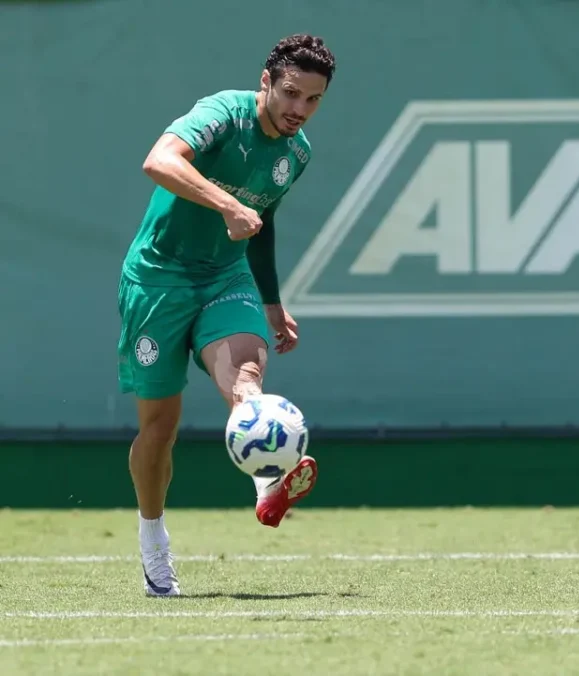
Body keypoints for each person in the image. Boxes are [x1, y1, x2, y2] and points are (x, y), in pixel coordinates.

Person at [116, 34, 336, 597]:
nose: (299, 110)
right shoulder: (222, 114)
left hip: (226, 278)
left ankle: (268, 481)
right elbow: (158, 161)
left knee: (246, 384)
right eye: (291, 94)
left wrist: (271, 299)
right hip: (157, 281)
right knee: (159, 429)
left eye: (312, 100)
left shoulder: (297, 154)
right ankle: (153, 542)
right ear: (266, 82)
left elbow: (262, 227)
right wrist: (228, 204)